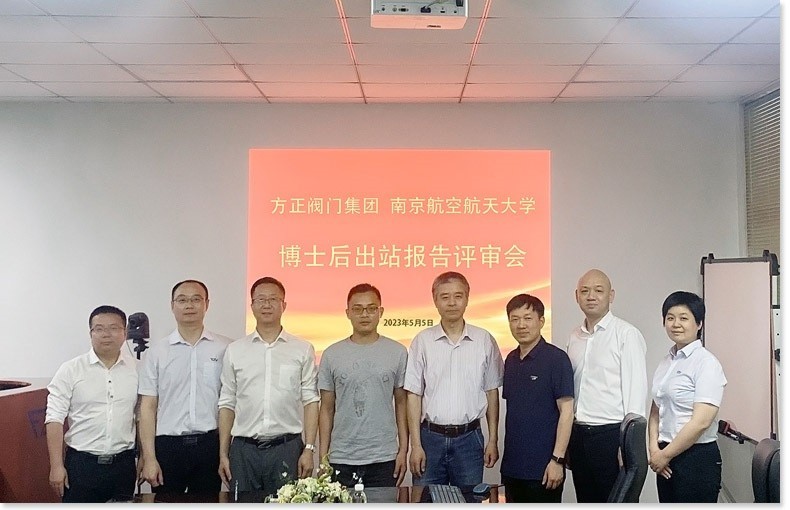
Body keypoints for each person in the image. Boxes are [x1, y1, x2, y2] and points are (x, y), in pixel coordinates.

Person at [217, 277, 319, 496]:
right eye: (261, 299)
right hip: (244, 450)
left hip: (287, 448)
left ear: (284, 305)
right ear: (252, 305)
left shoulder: (302, 349)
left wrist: (309, 448)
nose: (267, 304)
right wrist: (223, 453)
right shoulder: (235, 350)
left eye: (273, 299)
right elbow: (227, 402)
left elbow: (311, 400)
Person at [404, 271, 504, 486]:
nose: (452, 303)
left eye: (458, 296)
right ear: (435, 300)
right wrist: (416, 445)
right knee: (426, 499)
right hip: (429, 439)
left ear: (467, 298)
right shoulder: (422, 341)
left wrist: (493, 439)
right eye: (445, 297)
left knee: (469, 499)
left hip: (469, 439)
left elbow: (491, 392)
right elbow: (413, 395)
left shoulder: (484, 340)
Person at [138, 280, 231, 493]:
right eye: (182, 300)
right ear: (172, 305)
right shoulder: (157, 352)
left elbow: (230, 402)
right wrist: (149, 457)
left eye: (196, 299)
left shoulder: (225, 348)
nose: (189, 305)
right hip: (168, 446)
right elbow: (148, 407)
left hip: (210, 445)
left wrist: (225, 452)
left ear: (207, 304)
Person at [566, 269, 648, 502]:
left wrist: (629, 445)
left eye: (598, 291)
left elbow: (636, 391)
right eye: (585, 291)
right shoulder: (574, 336)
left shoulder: (626, 334)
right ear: (576, 296)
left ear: (611, 295)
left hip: (611, 436)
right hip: (579, 435)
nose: (591, 296)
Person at [45, 305, 139, 503]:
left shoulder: (138, 369)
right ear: (91, 333)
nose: (106, 334)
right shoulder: (71, 369)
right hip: (82, 465)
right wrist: (56, 466)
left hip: (123, 465)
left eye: (114, 328)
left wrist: (146, 457)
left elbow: (142, 416)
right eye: (99, 329)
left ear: (125, 333)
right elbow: (54, 418)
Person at [318, 283, 408, 487]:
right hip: (342, 457)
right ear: (348, 313)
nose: (364, 315)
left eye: (371, 308)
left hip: (384, 456)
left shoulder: (398, 352)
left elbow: (402, 404)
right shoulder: (332, 354)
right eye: (357, 309)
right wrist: (323, 457)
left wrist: (403, 450)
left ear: (381, 312)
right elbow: (326, 408)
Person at [648, 291, 726, 503]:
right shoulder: (667, 362)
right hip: (665, 457)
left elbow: (701, 422)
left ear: (699, 324)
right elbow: (656, 409)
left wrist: (665, 455)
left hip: (696, 459)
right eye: (670, 318)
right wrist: (654, 449)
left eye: (684, 318)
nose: (676, 324)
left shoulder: (706, 363)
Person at [500, 294, 574, 503]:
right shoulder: (511, 360)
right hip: (513, 468)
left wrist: (557, 460)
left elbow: (567, 412)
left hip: (544, 469)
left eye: (527, 318)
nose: (521, 325)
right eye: (515, 319)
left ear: (541, 321)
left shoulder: (556, 359)